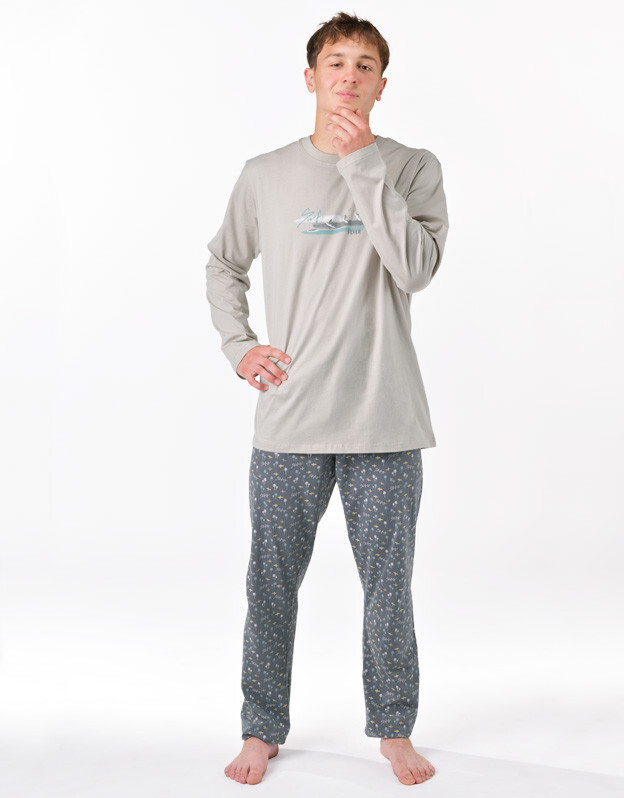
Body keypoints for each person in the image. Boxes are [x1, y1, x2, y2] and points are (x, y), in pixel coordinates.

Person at [205, 11, 449, 787]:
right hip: (291, 419)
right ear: (310, 78)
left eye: (365, 65)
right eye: (336, 62)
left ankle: (395, 730)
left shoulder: (411, 168)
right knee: (270, 581)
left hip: (386, 419)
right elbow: (223, 263)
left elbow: (416, 269)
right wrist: (240, 346)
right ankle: (260, 728)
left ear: (382, 84)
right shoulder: (265, 174)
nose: (350, 75)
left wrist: (362, 165)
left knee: (388, 587)